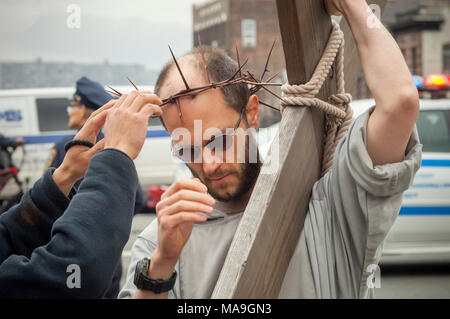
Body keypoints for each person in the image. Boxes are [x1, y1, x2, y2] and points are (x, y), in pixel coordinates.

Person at [119, 0, 423, 299]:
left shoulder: (329, 206)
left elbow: (401, 103)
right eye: (188, 151)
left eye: (219, 140)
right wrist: (162, 266)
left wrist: (351, 4)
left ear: (252, 112)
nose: (209, 165)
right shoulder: (162, 241)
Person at [0, 92, 163, 298]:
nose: (69, 111)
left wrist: (65, 175)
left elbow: (9, 239)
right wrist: (115, 161)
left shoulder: (73, 147)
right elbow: (72, 278)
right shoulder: (73, 144)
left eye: (73, 106)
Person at [45, 76, 145, 298]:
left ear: (84, 110)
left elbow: (50, 199)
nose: (69, 111)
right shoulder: (114, 144)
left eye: (73, 105)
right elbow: (137, 198)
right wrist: (109, 227)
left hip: (70, 253)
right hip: (110, 257)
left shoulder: (66, 147)